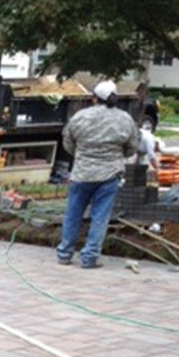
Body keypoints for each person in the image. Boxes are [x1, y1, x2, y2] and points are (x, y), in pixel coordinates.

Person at [56, 80, 140, 268]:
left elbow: (68, 142)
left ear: (94, 98)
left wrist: (81, 154)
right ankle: (90, 258)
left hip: (81, 173)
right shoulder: (125, 119)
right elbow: (132, 147)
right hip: (109, 175)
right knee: (100, 217)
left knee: (72, 214)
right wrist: (116, 156)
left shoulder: (80, 116)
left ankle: (64, 253)